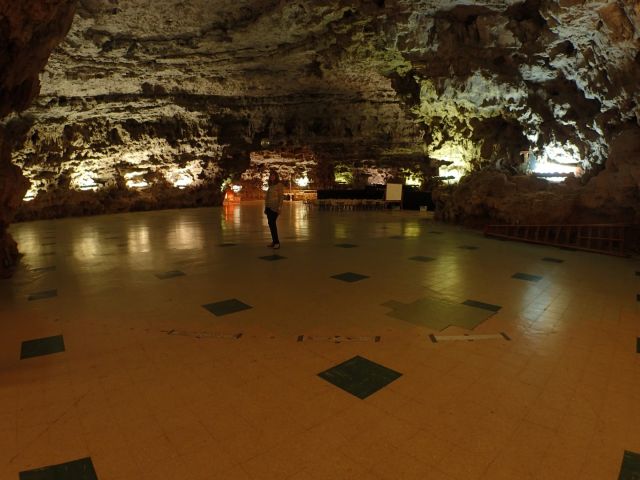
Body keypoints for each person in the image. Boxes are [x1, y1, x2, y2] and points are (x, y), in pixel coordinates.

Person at [264, 170, 285, 249]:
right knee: (270, 224)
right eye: (271, 176)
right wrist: (266, 207)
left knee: (272, 224)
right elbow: (267, 197)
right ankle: (274, 241)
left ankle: (277, 242)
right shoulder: (271, 185)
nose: (272, 177)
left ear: (276, 177)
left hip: (275, 207)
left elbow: (281, 197)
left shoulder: (279, 185)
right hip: (269, 207)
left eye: (273, 176)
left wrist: (279, 207)